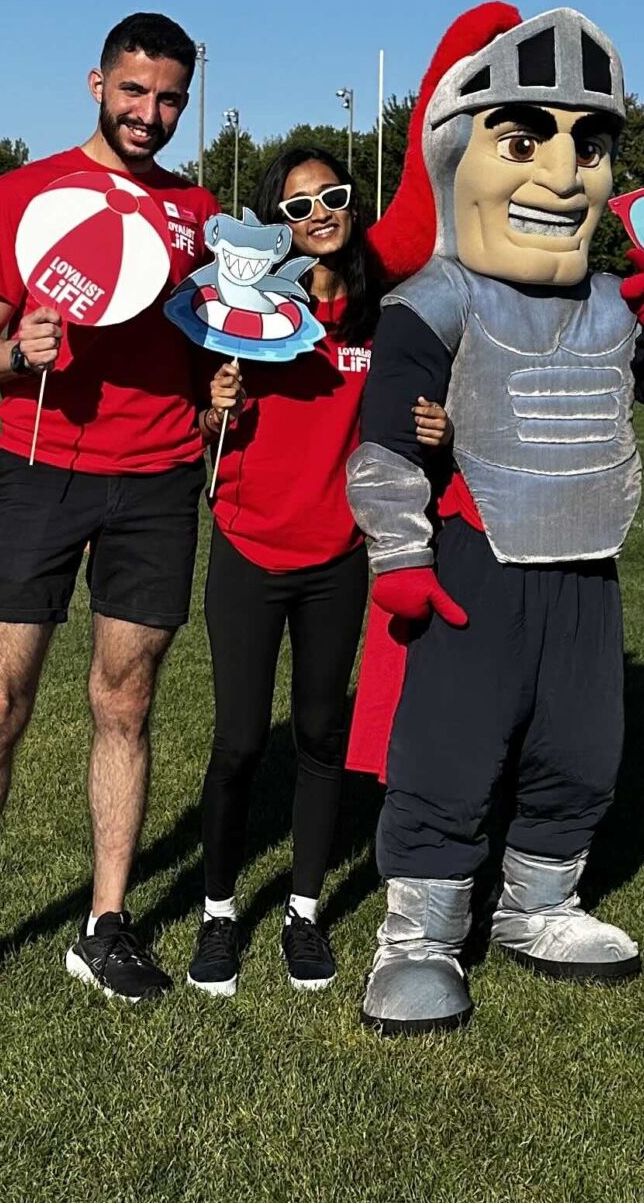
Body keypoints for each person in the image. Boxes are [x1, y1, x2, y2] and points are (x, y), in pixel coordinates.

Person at [342, 2, 644, 1036]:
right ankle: (417, 934)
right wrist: (399, 555)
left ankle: (537, 905)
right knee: (451, 748)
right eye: (525, 140)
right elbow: (379, 443)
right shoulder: (434, 297)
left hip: (585, 561)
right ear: (459, 153)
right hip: (477, 558)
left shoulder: (608, 300)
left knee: (581, 744)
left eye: (587, 143)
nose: (563, 171)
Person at [0, 11, 216, 1036]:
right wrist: (18, 350)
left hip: (159, 481)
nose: (148, 114)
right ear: (95, 83)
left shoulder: (196, 212)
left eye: (167, 97)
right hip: (40, 475)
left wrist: (221, 387)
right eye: (133, 91)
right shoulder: (23, 195)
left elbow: (208, 339)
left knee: (124, 703)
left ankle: (104, 923)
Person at [185, 144, 450, 999]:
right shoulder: (246, 317)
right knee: (236, 743)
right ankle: (219, 912)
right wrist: (213, 406)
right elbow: (201, 436)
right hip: (248, 548)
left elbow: (414, 431)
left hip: (339, 559)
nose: (318, 215)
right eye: (296, 206)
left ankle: (303, 910)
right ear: (275, 224)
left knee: (321, 739)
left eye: (331, 196)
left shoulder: (384, 320)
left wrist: (438, 435)